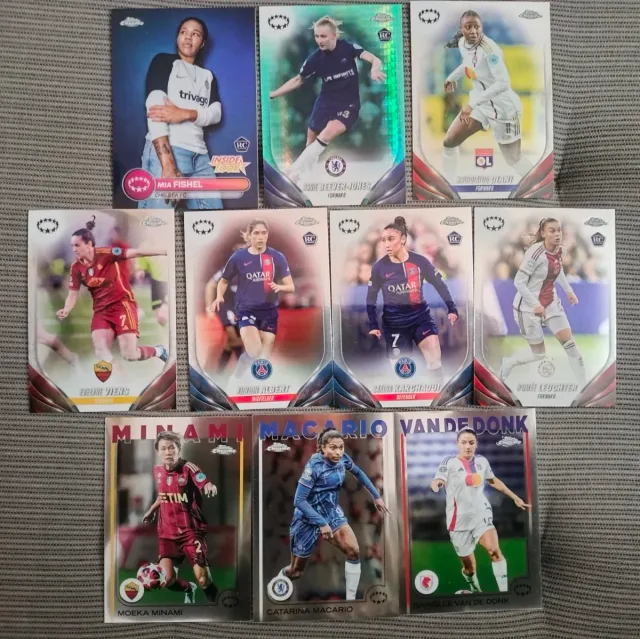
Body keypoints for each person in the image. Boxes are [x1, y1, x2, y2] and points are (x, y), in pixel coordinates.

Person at [269, 428, 390, 601]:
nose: (338, 452)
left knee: (353, 550)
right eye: (334, 448)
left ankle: (351, 601)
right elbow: (299, 500)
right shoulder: (313, 467)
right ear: (323, 448)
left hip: (332, 511)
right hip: (308, 515)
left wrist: (376, 496)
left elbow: (358, 472)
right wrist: (321, 523)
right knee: (296, 571)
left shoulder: (343, 458)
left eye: (341, 447)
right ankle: (279, 585)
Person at [269, 15, 386, 184]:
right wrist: (274, 93)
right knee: (310, 141)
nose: (319, 40)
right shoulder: (314, 59)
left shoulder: (348, 48)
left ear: (334, 36)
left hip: (348, 105)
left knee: (325, 135)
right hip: (325, 102)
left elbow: (375, 59)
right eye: (317, 36)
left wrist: (375, 69)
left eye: (323, 36)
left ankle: (293, 171)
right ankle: (306, 179)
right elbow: (298, 80)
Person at [56, 216, 168, 366]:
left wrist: (164, 251)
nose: (73, 249)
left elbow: (136, 252)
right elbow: (72, 294)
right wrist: (66, 309)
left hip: (122, 305)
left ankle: (159, 351)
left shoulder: (107, 253)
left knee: (130, 354)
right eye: (72, 246)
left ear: (88, 244)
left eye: (77, 245)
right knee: (100, 351)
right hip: (101, 311)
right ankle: (118, 375)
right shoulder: (76, 267)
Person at [431, 428, 531, 593]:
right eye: (464, 442)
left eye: (471, 443)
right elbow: (437, 480)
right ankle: (475, 589)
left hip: (481, 515)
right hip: (458, 522)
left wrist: (515, 497)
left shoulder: (482, 461)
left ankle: (504, 593)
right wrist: (437, 484)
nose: (467, 446)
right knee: (469, 568)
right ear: (458, 444)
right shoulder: (449, 462)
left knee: (494, 551)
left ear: (476, 444)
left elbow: (493, 480)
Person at [441, 10, 533, 184]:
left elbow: (503, 83)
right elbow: (468, 64)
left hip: (503, 109)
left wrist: (471, 105)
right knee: (449, 141)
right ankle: (449, 186)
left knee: (514, 160)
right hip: (481, 105)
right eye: (468, 27)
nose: (473, 31)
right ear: (461, 29)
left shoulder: (490, 50)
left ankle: (540, 184)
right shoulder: (462, 43)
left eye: (477, 26)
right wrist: (451, 77)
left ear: (481, 27)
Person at [140, 16, 223, 209]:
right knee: (157, 221)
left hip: (200, 157)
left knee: (214, 218)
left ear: (202, 43)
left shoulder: (208, 76)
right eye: (183, 32)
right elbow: (155, 105)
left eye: (195, 34)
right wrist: (168, 164)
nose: (188, 37)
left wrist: (184, 113)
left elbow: (216, 113)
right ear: (177, 38)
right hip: (168, 150)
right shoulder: (163, 61)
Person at [366, 216, 458, 384]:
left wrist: (451, 308)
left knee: (435, 362)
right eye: (384, 240)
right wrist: (373, 324)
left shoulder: (420, 261)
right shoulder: (379, 267)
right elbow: (371, 297)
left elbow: (439, 284)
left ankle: (438, 394)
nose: (386, 244)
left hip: (420, 318)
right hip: (395, 324)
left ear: (403, 239)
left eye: (391, 239)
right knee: (402, 374)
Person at [500, 217, 586, 389]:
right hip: (527, 308)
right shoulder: (535, 253)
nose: (557, 234)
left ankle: (584, 388)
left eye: (559, 230)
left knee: (570, 345)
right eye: (552, 231)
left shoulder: (561, 250)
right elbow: (518, 282)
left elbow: (558, 270)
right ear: (543, 233)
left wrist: (569, 291)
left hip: (551, 303)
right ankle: (508, 363)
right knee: (538, 355)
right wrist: (535, 304)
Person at [210, 219, 294, 380]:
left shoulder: (277, 257)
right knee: (253, 350)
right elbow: (222, 281)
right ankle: (235, 378)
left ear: (267, 235)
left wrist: (280, 287)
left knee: (263, 358)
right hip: (246, 310)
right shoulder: (238, 257)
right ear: (249, 235)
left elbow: (290, 286)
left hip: (269, 312)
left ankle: (253, 384)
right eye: (256, 233)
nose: (260, 236)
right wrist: (219, 297)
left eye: (264, 233)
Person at [142, 431, 219, 604]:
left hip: (191, 532)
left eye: (171, 448)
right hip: (167, 534)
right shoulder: (157, 471)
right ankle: (188, 589)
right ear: (158, 452)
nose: (168, 452)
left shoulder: (189, 468)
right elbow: (163, 495)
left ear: (179, 449)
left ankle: (216, 605)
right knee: (166, 580)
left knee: (203, 580)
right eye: (163, 448)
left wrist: (209, 485)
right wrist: (152, 510)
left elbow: (203, 480)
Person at [205, 269, 243, 372]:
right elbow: (210, 285)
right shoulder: (226, 270)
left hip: (240, 309)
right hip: (226, 308)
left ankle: (220, 371)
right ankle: (245, 371)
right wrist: (208, 308)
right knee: (234, 339)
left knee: (230, 343)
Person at [135, 255, 169, 328]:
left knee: (163, 313)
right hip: (156, 283)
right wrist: (141, 270)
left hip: (169, 279)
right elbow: (142, 263)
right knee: (161, 320)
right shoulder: (145, 249)